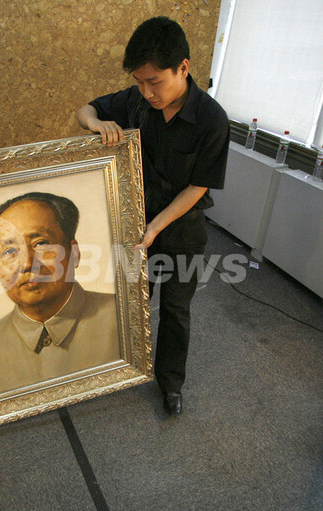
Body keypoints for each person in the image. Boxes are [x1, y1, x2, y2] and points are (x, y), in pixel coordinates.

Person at [76, 17, 229, 415]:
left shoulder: (212, 119)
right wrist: (96, 123)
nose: (147, 92)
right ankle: (123, 368)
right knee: (132, 299)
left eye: (155, 82)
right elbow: (85, 109)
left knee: (176, 310)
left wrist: (155, 227)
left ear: (183, 68)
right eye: (139, 82)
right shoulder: (137, 101)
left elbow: (199, 186)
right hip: (135, 225)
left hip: (181, 229)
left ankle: (171, 385)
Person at [0, 192, 120, 396]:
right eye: (9, 252)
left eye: (40, 244)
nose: (27, 263)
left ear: (74, 253)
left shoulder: (122, 318)